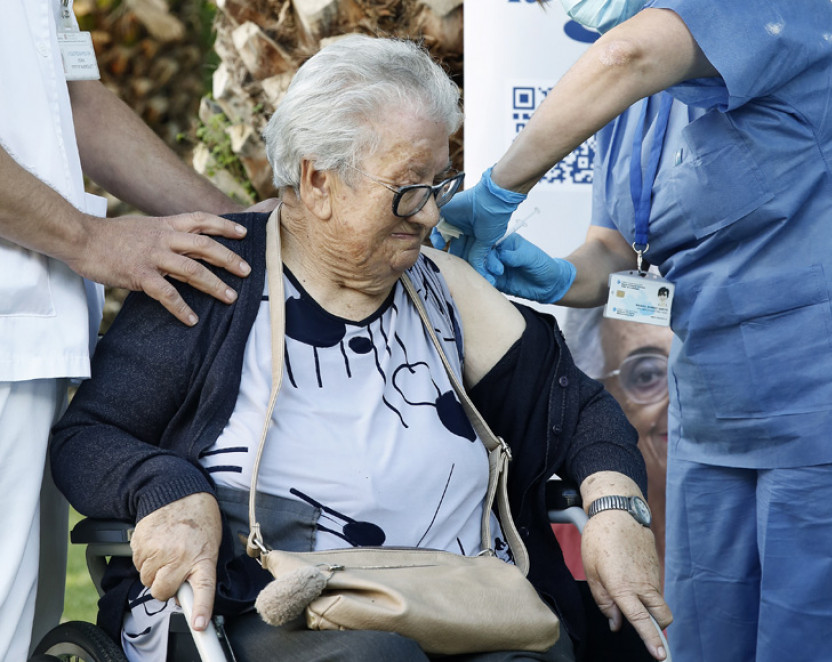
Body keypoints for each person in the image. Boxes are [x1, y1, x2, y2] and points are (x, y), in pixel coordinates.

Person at [49, 35, 672, 662]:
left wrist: (616, 506)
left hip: (460, 604)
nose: (431, 214)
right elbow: (88, 435)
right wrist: (165, 486)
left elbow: (581, 410)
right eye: (408, 189)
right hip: (266, 603)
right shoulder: (217, 279)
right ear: (319, 181)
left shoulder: (443, 285)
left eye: (439, 182)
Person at [433, 1, 832, 660]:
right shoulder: (633, 113)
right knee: (702, 634)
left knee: (823, 636)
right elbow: (621, 259)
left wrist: (496, 191)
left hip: (830, 399)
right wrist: (562, 278)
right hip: (712, 411)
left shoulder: (747, 14)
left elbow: (627, 56)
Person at [0, 2, 259, 659]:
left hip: (35, 344)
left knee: (21, 630)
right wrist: (87, 239)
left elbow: (79, 103)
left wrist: (251, 233)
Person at [564, 307, 673, 582]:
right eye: (648, 375)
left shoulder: (772, 532)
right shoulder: (547, 551)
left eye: (696, 371)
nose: (684, 401)